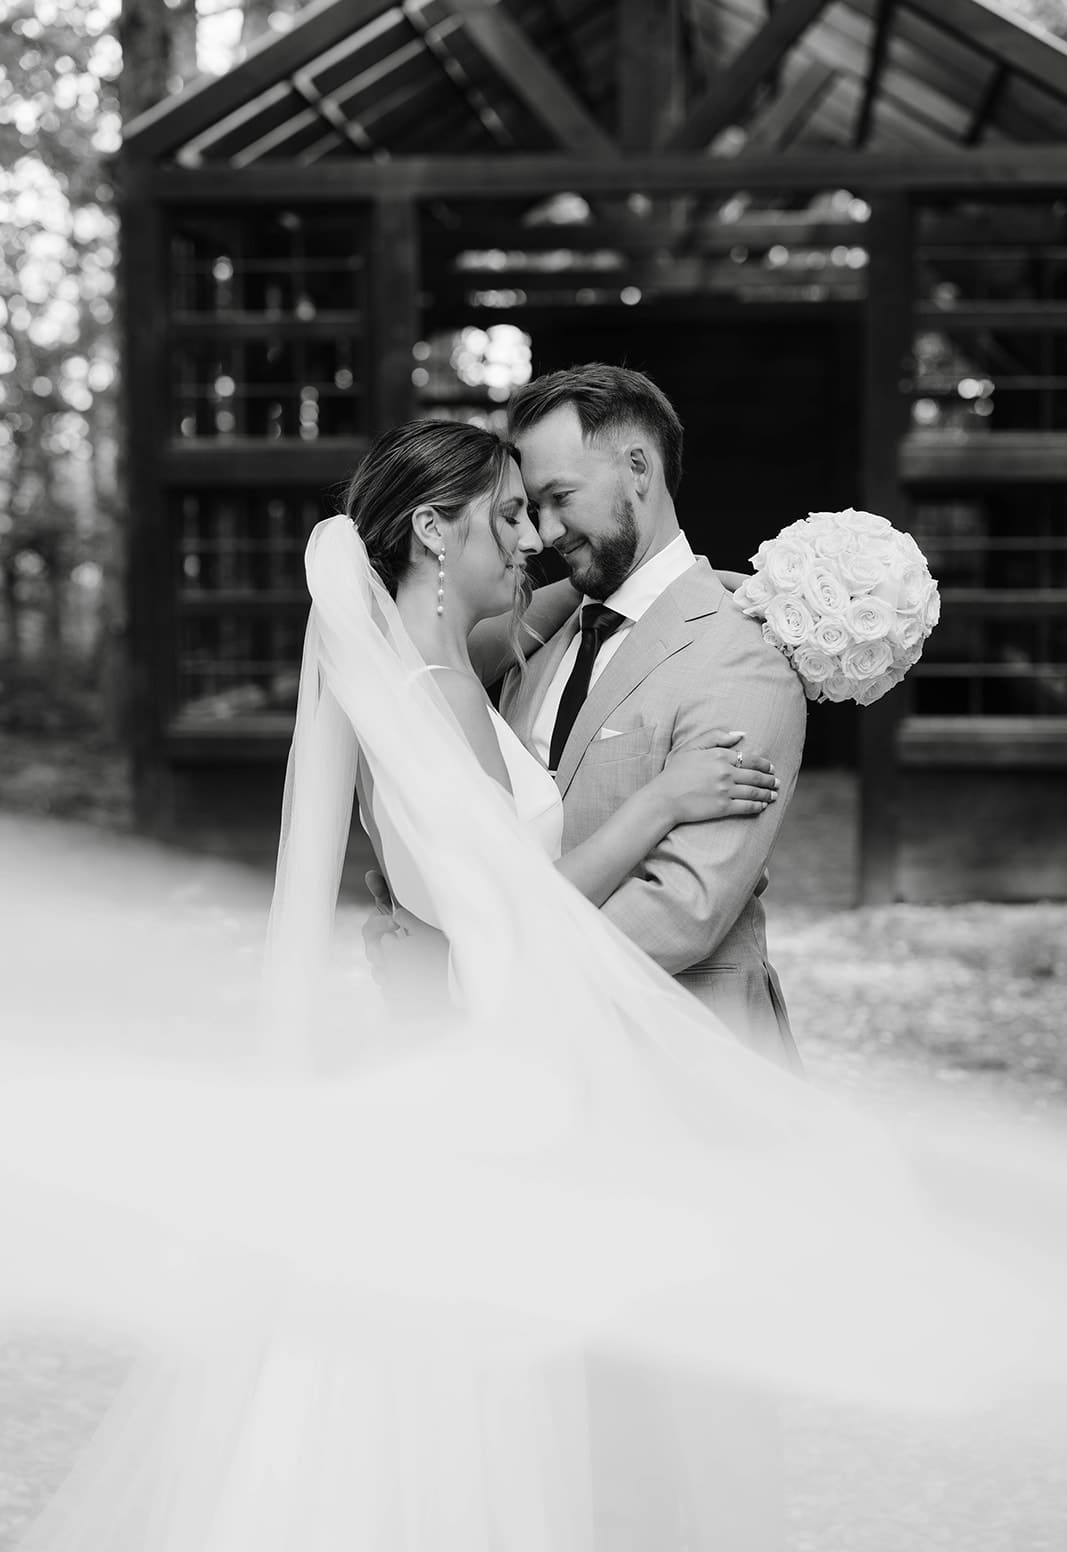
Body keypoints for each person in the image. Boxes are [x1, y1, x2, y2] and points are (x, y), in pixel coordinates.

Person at [9, 420, 1063, 1552]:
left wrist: (694, 586)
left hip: (507, 1070)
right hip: (492, 1081)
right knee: (465, 1421)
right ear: (430, 529)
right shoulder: (447, 691)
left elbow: (565, 680)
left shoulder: (452, 663)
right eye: (511, 515)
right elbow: (518, 902)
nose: (533, 542)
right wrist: (659, 802)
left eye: (543, 504)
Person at [500, 363, 806, 1067]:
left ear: (637, 467)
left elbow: (683, 907)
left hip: (682, 1062)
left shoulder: (740, 652)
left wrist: (493, 966)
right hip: (546, 1068)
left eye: (560, 497)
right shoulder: (542, 642)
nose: (544, 533)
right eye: (530, 508)